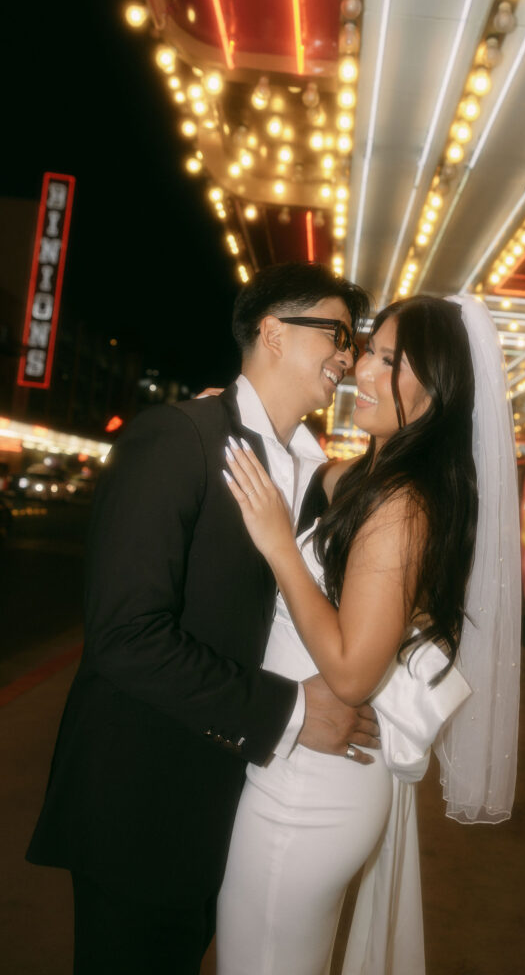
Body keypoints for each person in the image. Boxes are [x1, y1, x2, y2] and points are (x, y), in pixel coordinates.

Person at [26, 262, 379, 975]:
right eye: (336, 334)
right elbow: (125, 636)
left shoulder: (309, 471)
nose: (348, 355)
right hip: (142, 804)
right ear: (272, 333)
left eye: (355, 340)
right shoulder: (176, 438)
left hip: (237, 813)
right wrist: (289, 712)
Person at [217, 293, 521, 974]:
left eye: (391, 360)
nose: (364, 370)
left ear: (439, 387)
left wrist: (279, 548)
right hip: (310, 770)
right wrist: (235, 408)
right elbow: (303, 464)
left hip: (308, 792)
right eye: (368, 352)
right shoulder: (371, 479)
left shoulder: (404, 503)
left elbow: (353, 673)